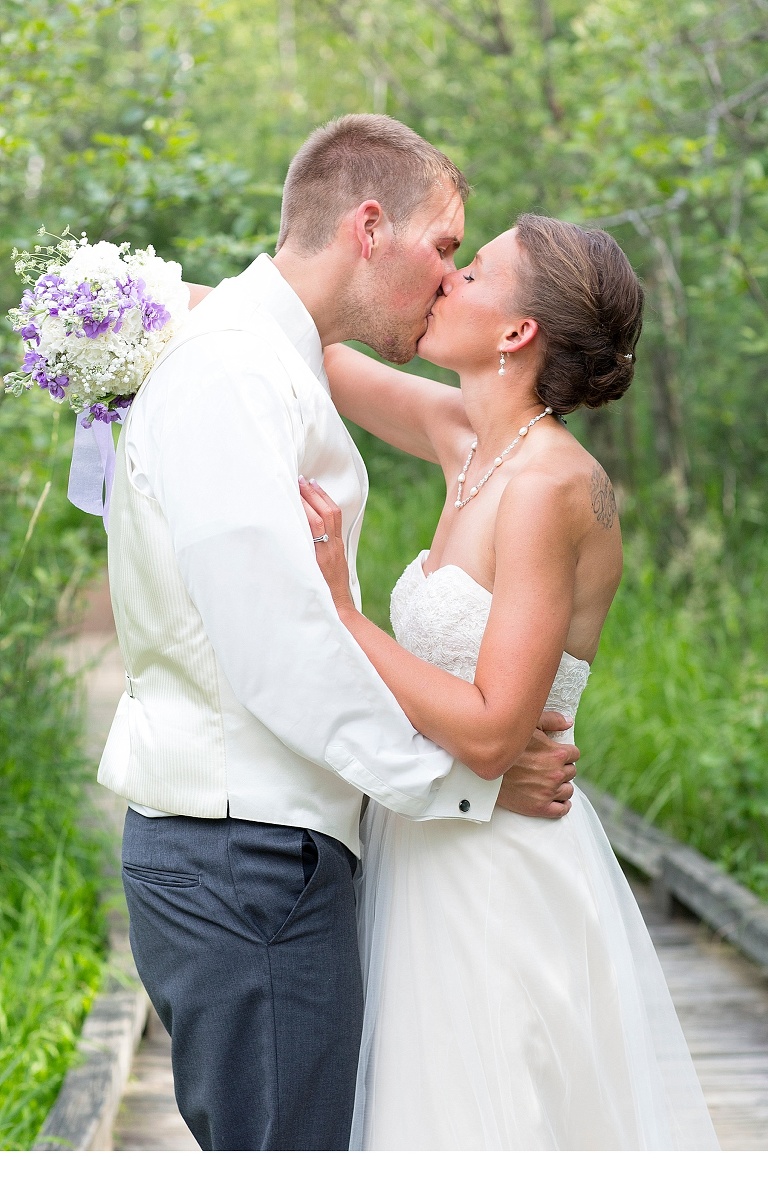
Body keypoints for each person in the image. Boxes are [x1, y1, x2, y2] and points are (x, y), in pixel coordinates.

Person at [98, 115, 579, 1151]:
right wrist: (472, 785)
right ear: (371, 227)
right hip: (246, 858)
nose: (448, 276)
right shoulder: (233, 374)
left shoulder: (266, 357)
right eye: (447, 247)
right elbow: (286, 656)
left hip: (290, 851)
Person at [300, 214, 720, 1150]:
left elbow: (493, 735)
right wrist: (121, 307)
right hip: (427, 845)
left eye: (469, 271)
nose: (442, 280)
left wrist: (342, 614)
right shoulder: (466, 435)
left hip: (497, 875)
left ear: (516, 331)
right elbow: (305, 342)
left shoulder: (552, 487)